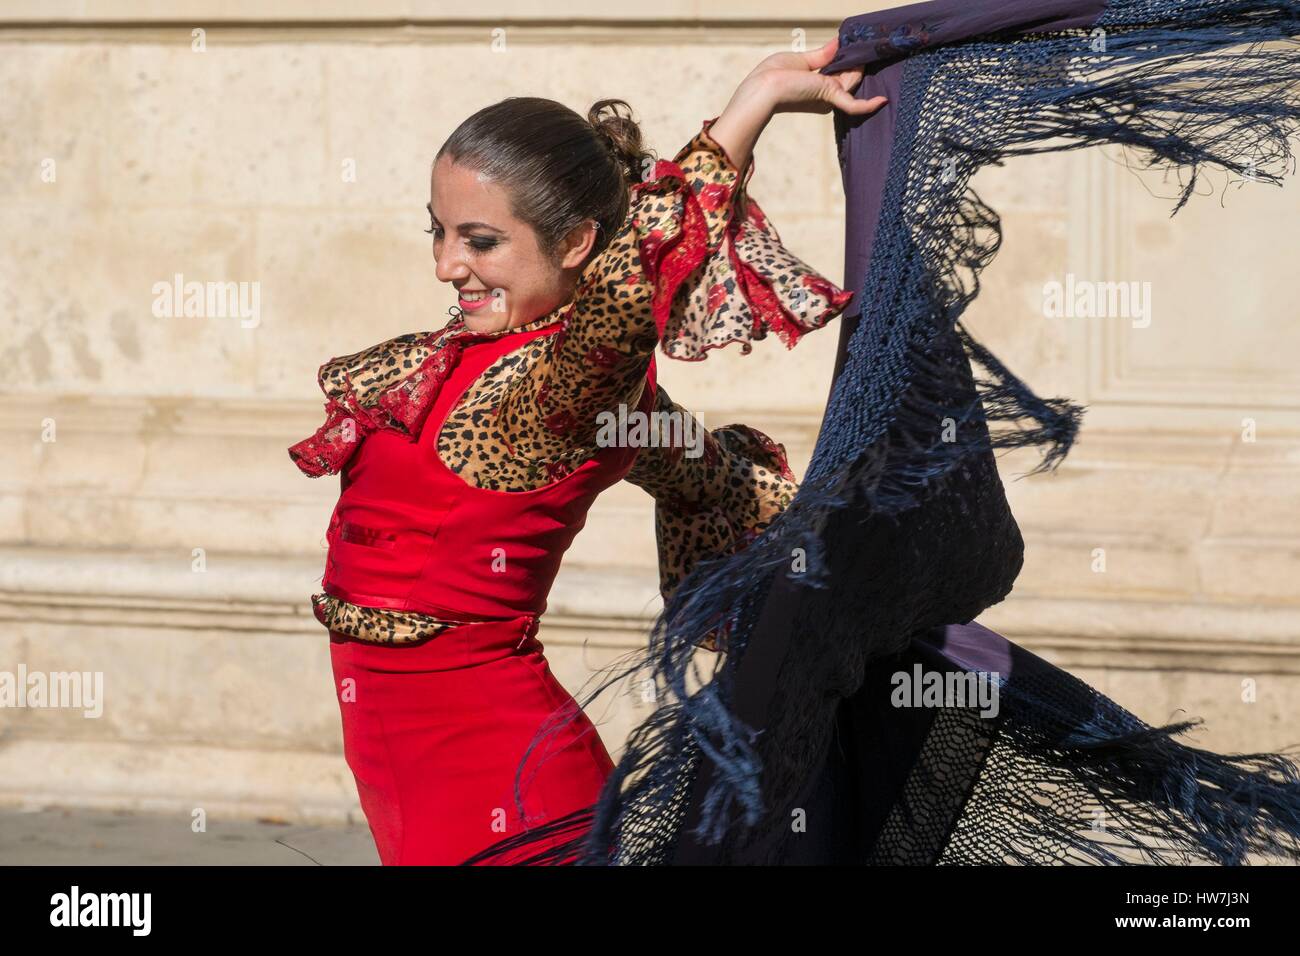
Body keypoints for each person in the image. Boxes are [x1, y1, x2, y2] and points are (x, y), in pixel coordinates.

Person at [288, 42, 886, 865]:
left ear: (573, 243)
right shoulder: (483, 366)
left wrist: (754, 105)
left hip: (506, 784)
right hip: (408, 775)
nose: (444, 266)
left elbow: (634, 285)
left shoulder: (569, 387)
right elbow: (702, 472)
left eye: (480, 241)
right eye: (439, 232)